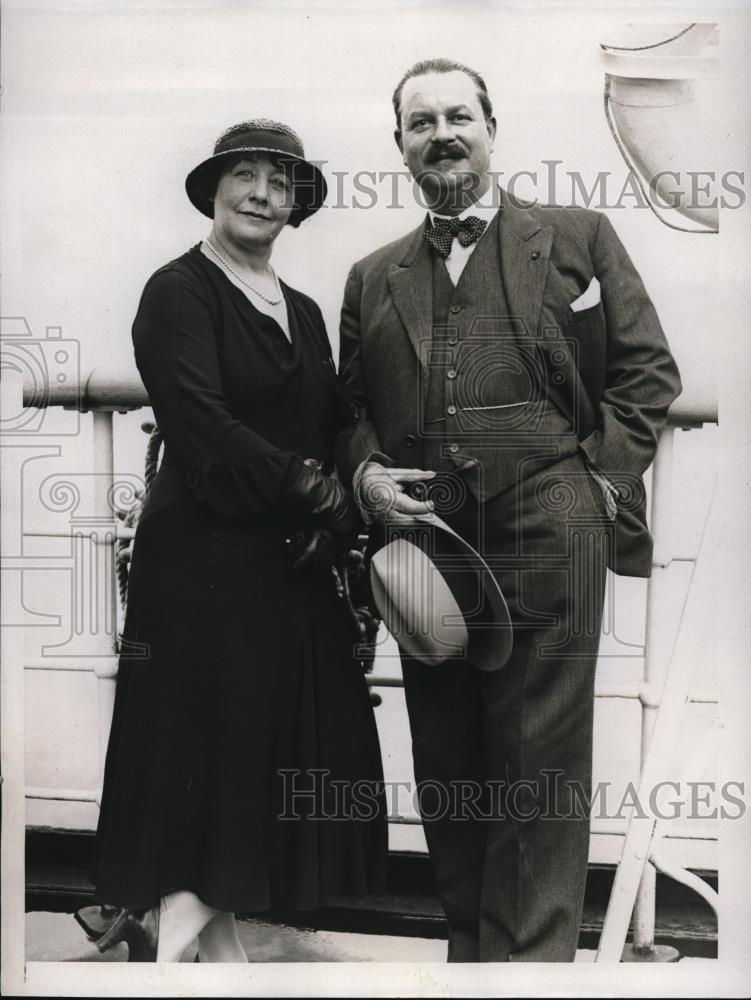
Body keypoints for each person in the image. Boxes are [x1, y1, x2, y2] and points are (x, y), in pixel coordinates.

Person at [337, 59, 682, 962]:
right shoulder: (371, 278)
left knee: (538, 763)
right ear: (400, 145)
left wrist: (598, 488)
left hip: (549, 528)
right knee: (448, 760)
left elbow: (646, 373)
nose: (441, 132)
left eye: (459, 115)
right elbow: (349, 412)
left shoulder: (575, 236)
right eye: (421, 121)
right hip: (426, 544)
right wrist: (368, 475)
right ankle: (469, 959)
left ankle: (530, 973)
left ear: (492, 129)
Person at [85, 119, 387, 962]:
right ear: (214, 190)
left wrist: (345, 501)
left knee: (263, 761)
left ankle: (206, 956)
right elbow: (201, 424)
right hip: (202, 568)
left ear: (295, 206)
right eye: (245, 176)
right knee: (209, 760)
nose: (261, 193)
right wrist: (310, 492)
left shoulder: (301, 310)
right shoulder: (177, 290)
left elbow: (330, 422)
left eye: (280, 182)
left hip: (288, 566)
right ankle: (184, 949)